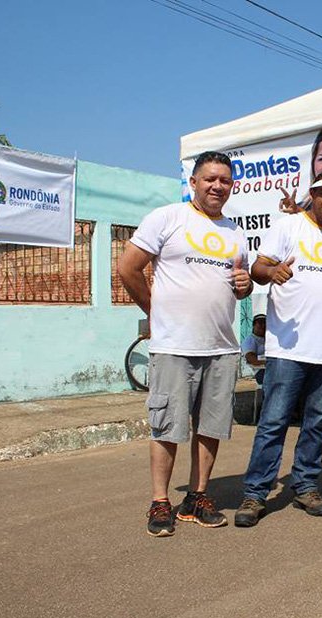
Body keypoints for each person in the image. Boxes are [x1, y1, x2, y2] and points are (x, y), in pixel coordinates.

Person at [117, 151, 253, 537]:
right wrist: (154, 310)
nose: (217, 186)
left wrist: (245, 285)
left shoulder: (234, 232)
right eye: (210, 179)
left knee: (211, 426)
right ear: (193, 182)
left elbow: (239, 285)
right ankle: (160, 502)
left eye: (225, 180)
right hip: (174, 346)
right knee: (167, 426)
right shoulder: (167, 217)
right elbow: (128, 267)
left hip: (221, 346)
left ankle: (197, 498)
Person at [234, 171, 322, 527]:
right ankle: (255, 493)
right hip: (287, 348)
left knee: (316, 423)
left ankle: (306, 486)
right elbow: (258, 267)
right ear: (312, 194)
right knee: (273, 422)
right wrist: (272, 273)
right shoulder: (288, 226)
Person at [241, 314, 266, 384]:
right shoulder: (250, 340)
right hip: (258, 371)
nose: (263, 325)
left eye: (265, 323)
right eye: (260, 323)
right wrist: (268, 360)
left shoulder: (269, 339)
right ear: (254, 325)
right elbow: (251, 359)